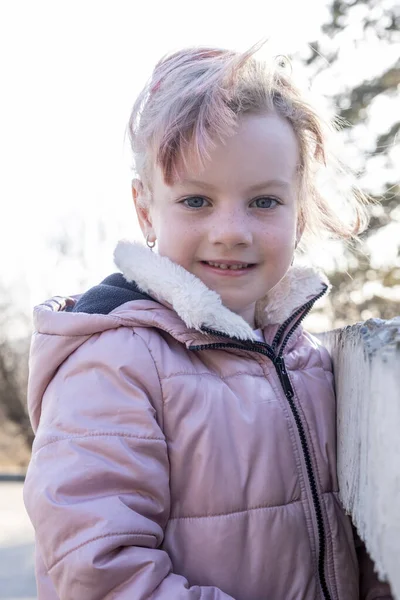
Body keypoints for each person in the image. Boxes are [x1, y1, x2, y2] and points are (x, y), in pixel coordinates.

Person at [23, 45, 393, 599]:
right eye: (196, 200)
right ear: (146, 209)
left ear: (300, 209)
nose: (232, 231)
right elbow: (98, 570)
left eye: (265, 202)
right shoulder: (115, 364)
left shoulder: (308, 360)